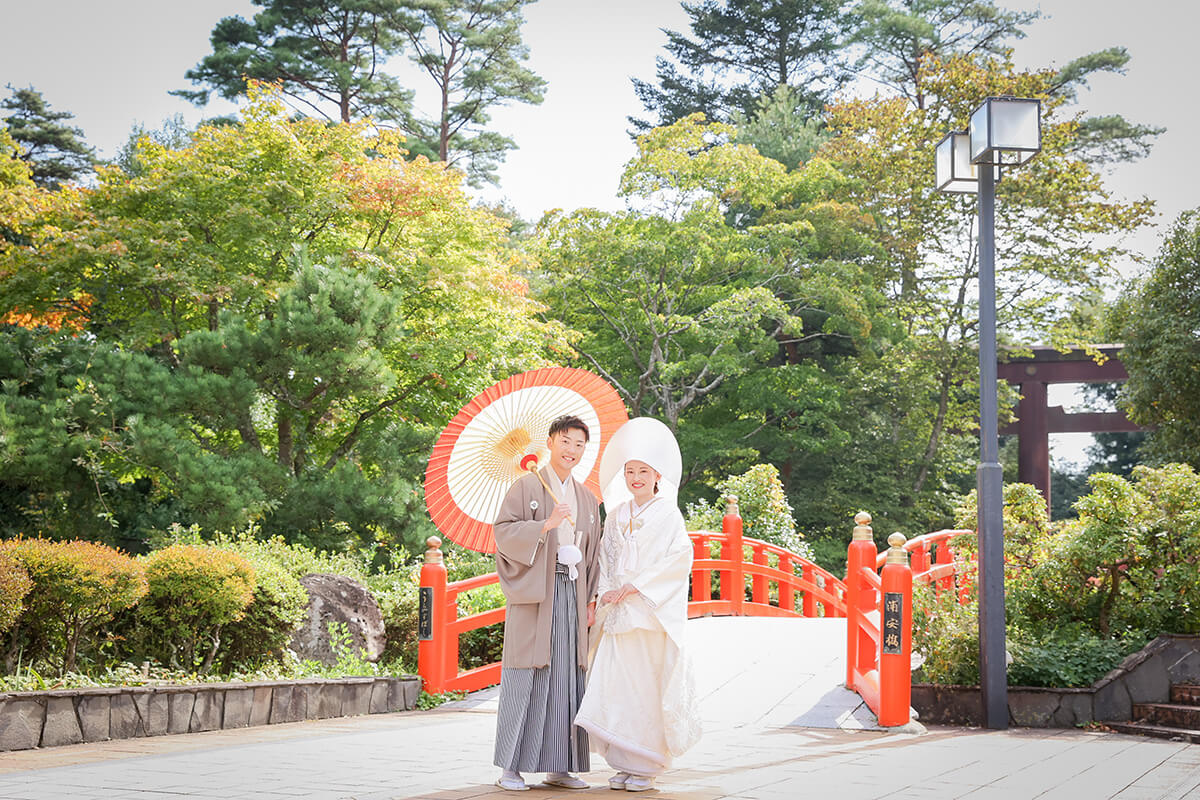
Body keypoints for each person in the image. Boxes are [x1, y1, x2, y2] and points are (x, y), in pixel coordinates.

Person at [575, 417, 701, 793]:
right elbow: (606, 559)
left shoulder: (668, 514)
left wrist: (637, 585)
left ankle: (646, 763)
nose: (635, 478)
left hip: (648, 613)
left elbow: (679, 559)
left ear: (657, 475)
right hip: (618, 613)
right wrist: (605, 593)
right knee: (616, 687)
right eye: (629, 471)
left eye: (643, 471)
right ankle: (624, 760)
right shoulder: (615, 515)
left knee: (645, 688)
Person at [492, 414, 604, 792]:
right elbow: (503, 533)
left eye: (579, 445)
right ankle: (511, 766)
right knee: (528, 673)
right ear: (551, 442)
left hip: (572, 594)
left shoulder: (588, 499)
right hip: (536, 596)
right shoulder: (526, 487)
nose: (572, 450)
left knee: (567, 677)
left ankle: (562, 765)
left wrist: (590, 597)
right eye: (566, 442)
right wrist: (545, 525)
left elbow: (594, 555)